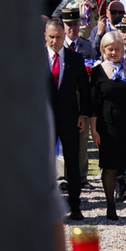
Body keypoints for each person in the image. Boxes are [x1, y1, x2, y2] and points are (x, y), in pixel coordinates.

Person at [90, 32, 126, 221]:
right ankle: (111, 206)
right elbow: (93, 104)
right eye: (110, 49)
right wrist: (93, 130)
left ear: (123, 48)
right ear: (103, 49)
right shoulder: (97, 72)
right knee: (109, 168)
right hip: (107, 126)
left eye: (117, 49)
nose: (114, 53)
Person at [45, 19, 92, 221]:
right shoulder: (36, 58)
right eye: (51, 37)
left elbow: (84, 89)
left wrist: (83, 114)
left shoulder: (75, 58)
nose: (54, 41)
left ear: (64, 36)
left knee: (72, 163)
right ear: (45, 36)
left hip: (70, 118)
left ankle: (75, 206)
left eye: (58, 37)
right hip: (45, 120)